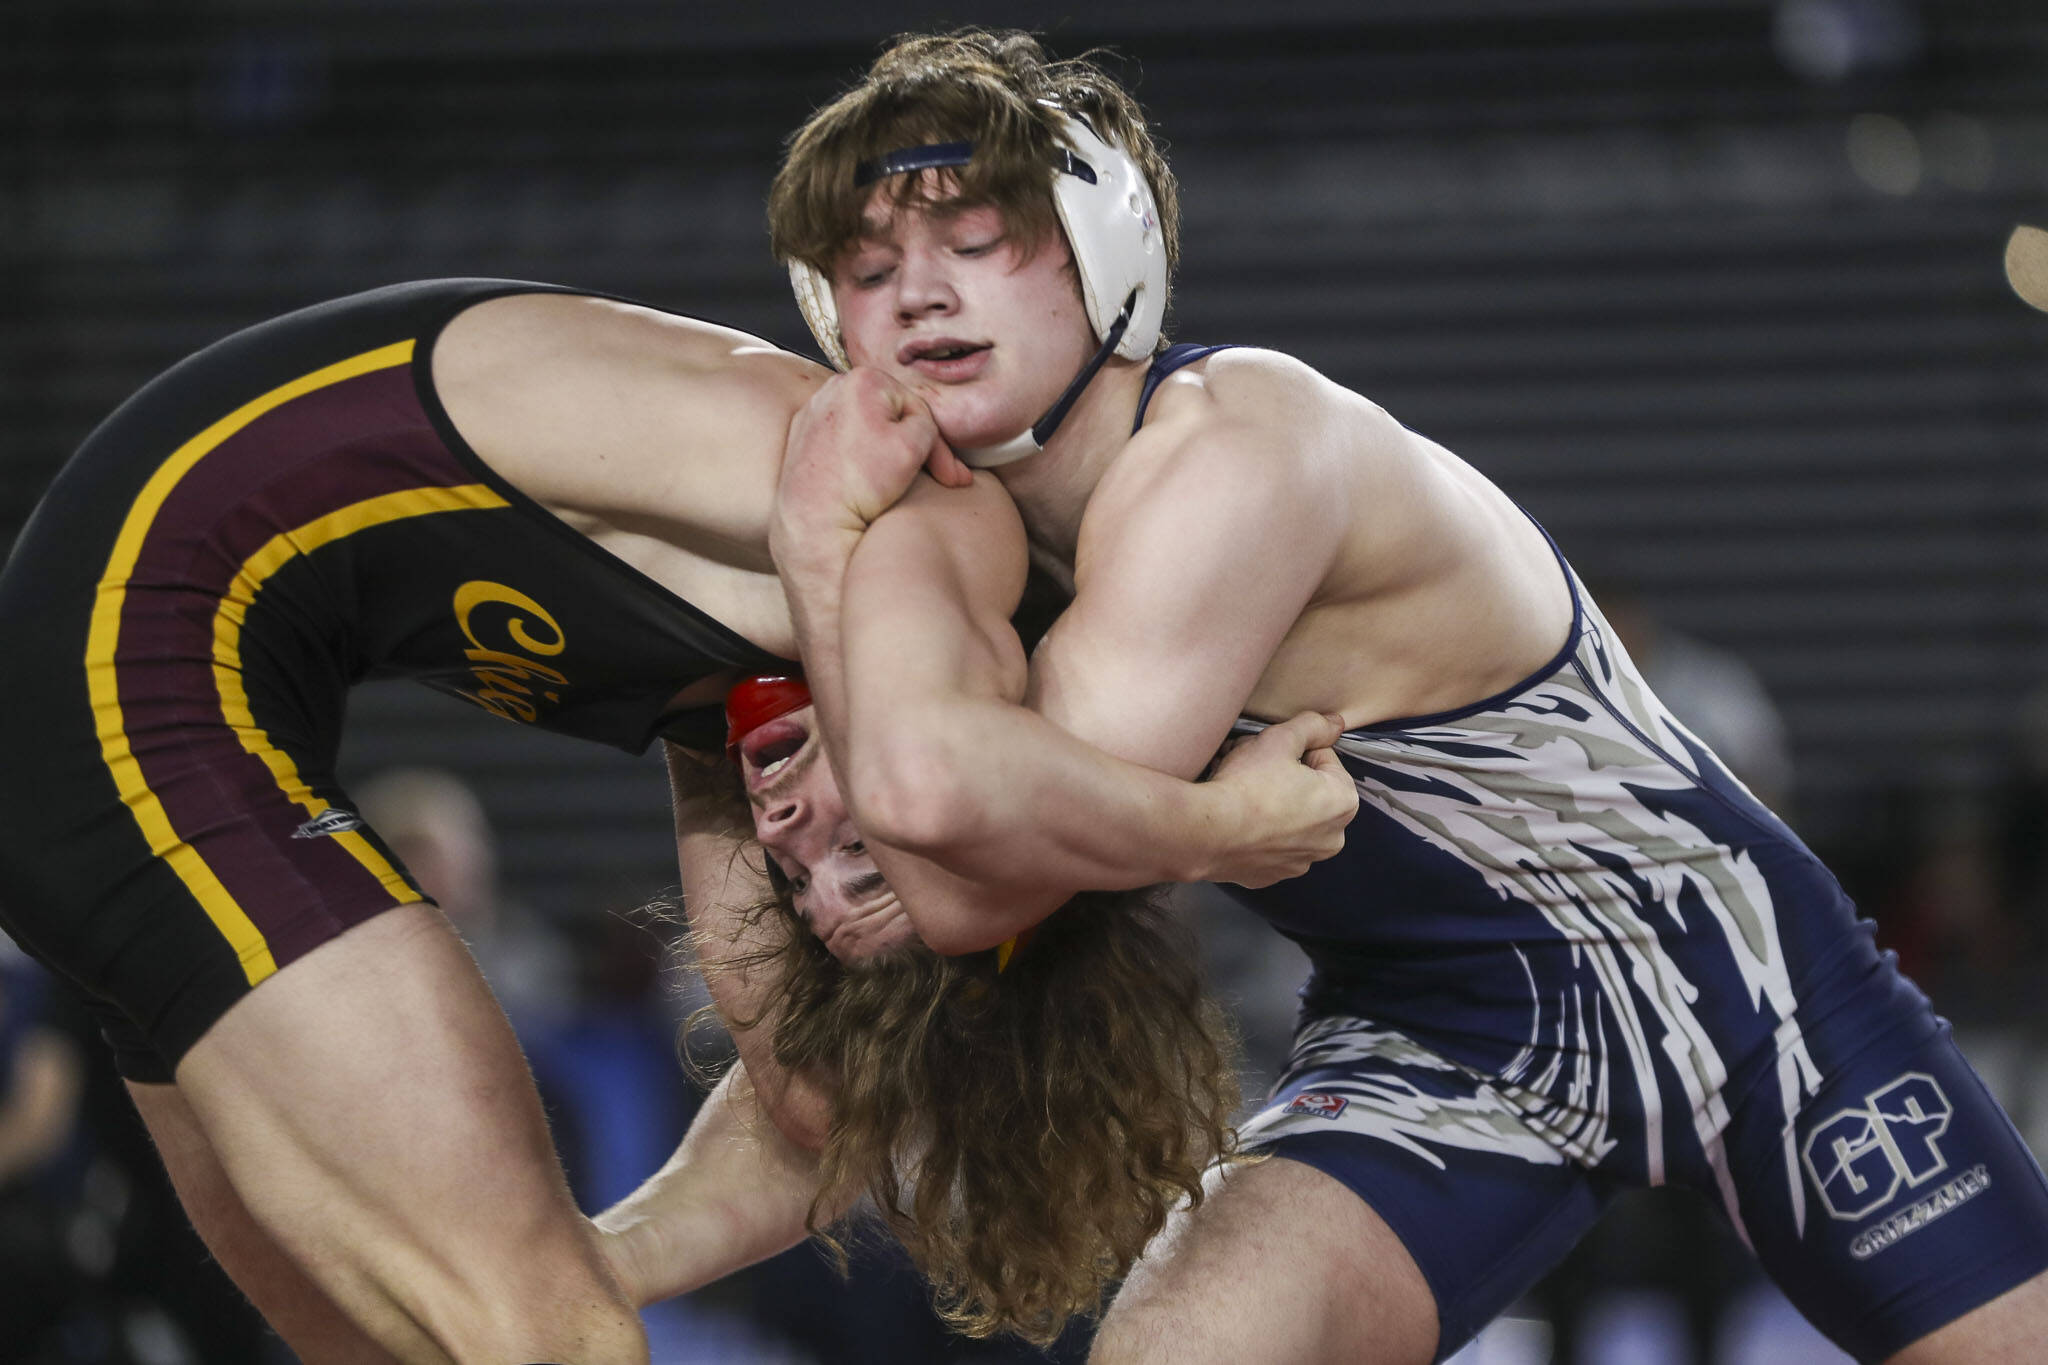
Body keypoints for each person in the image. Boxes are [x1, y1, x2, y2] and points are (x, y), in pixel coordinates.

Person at [756, 30, 2048, 1364]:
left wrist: (816, 549)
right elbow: (918, 842)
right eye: (868, 269)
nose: (917, 297)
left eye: (973, 243)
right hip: (1438, 1033)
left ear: (1106, 255)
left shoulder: (1234, 449)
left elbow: (969, 882)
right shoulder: (959, 538)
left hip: (1728, 983)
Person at [0, 278, 1355, 1363]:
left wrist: (615, 1246)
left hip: (120, 721)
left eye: (814, 884)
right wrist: (1206, 828)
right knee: (562, 1340)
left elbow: (807, 1090)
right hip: (135, 657)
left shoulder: (750, 709)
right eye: (866, 867)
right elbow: (946, 779)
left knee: (403, 1337)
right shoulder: (917, 517)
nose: (793, 845)